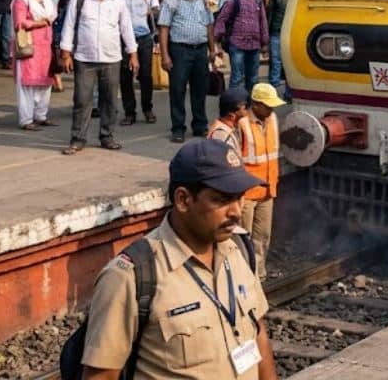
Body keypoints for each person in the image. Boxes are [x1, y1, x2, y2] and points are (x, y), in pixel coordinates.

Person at [79, 138, 278, 379]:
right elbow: (101, 375)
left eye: (239, 198)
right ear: (183, 200)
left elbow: (258, 335)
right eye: (221, 200)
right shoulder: (130, 276)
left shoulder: (238, 250)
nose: (236, 211)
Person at [60, 0, 138, 155]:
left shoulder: (118, 2)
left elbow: (126, 29)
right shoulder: (79, 0)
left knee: (110, 100)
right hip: (84, 59)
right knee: (82, 100)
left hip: (111, 59)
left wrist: (133, 54)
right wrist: (65, 54)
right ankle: (78, 139)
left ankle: (107, 136)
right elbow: (68, 26)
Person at [160, 0, 218, 143]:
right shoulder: (171, 2)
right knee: (177, 90)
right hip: (179, 51)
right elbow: (163, 29)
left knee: (199, 90)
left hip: (200, 51)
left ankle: (200, 125)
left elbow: (209, 25)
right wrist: (165, 56)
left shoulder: (203, 0)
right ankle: (178, 128)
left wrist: (212, 49)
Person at [235, 83, 286, 279]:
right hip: (247, 193)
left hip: (267, 190)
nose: (271, 109)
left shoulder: (272, 119)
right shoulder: (242, 124)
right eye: (267, 105)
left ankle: (258, 275)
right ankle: (244, 278)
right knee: (243, 238)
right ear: (255, 104)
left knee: (262, 237)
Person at [11, 0, 57, 130]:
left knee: (45, 83)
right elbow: (19, 23)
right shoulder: (21, 0)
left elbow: (53, 15)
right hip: (29, 46)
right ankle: (26, 119)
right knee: (27, 84)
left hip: (46, 45)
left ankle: (41, 116)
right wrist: (41, 23)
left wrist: (46, 22)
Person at [116, 0, 160, 126]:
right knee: (125, 77)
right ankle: (129, 113)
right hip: (123, 40)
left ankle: (147, 109)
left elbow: (157, 12)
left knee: (146, 76)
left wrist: (151, 12)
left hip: (144, 38)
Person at [216, 0, 268, 90]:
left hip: (254, 45)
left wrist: (264, 43)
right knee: (237, 77)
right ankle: (233, 105)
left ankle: (249, 105)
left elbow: (263, 21)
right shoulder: (233, 0)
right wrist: (217, 42)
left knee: (253, 78)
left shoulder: (258, 0)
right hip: (237, 44)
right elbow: (221, 19)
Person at [266, 0, 292, 95]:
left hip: (292, 33)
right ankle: (272, 93)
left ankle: (288, 93)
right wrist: (266, 36)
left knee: (290, 64)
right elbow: (269, 15)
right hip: (276, 31)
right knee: (276, 61)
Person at [208, 87, 249, 151]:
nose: (248, 110)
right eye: (245, 106)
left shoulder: (233, 126)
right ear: (231, 113)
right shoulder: (221, 135)